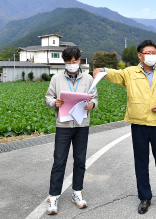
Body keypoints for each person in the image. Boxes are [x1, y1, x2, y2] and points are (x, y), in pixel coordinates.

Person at [93, 40, 156, 216]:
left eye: (153, 52)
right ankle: (144, 198)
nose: (151, 55)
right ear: (140, 55)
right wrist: (103, 70)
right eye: (147, 53)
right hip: (138, 124)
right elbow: (116, 75)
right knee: (141, 163)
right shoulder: (130, 72)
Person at [45, 46, 98, 215]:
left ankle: (77, 192)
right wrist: (55, 103)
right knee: (59, 161)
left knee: (80, 160)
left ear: (80, 59)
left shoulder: (88, 79)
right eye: (68, 62)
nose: (71, 64)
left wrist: (92, 105)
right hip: (64, 125)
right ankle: (53, 196)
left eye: (74, 61)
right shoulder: (56, 78)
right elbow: (48, 97)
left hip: (82, 125)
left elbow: (95, 99)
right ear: (64, 62)